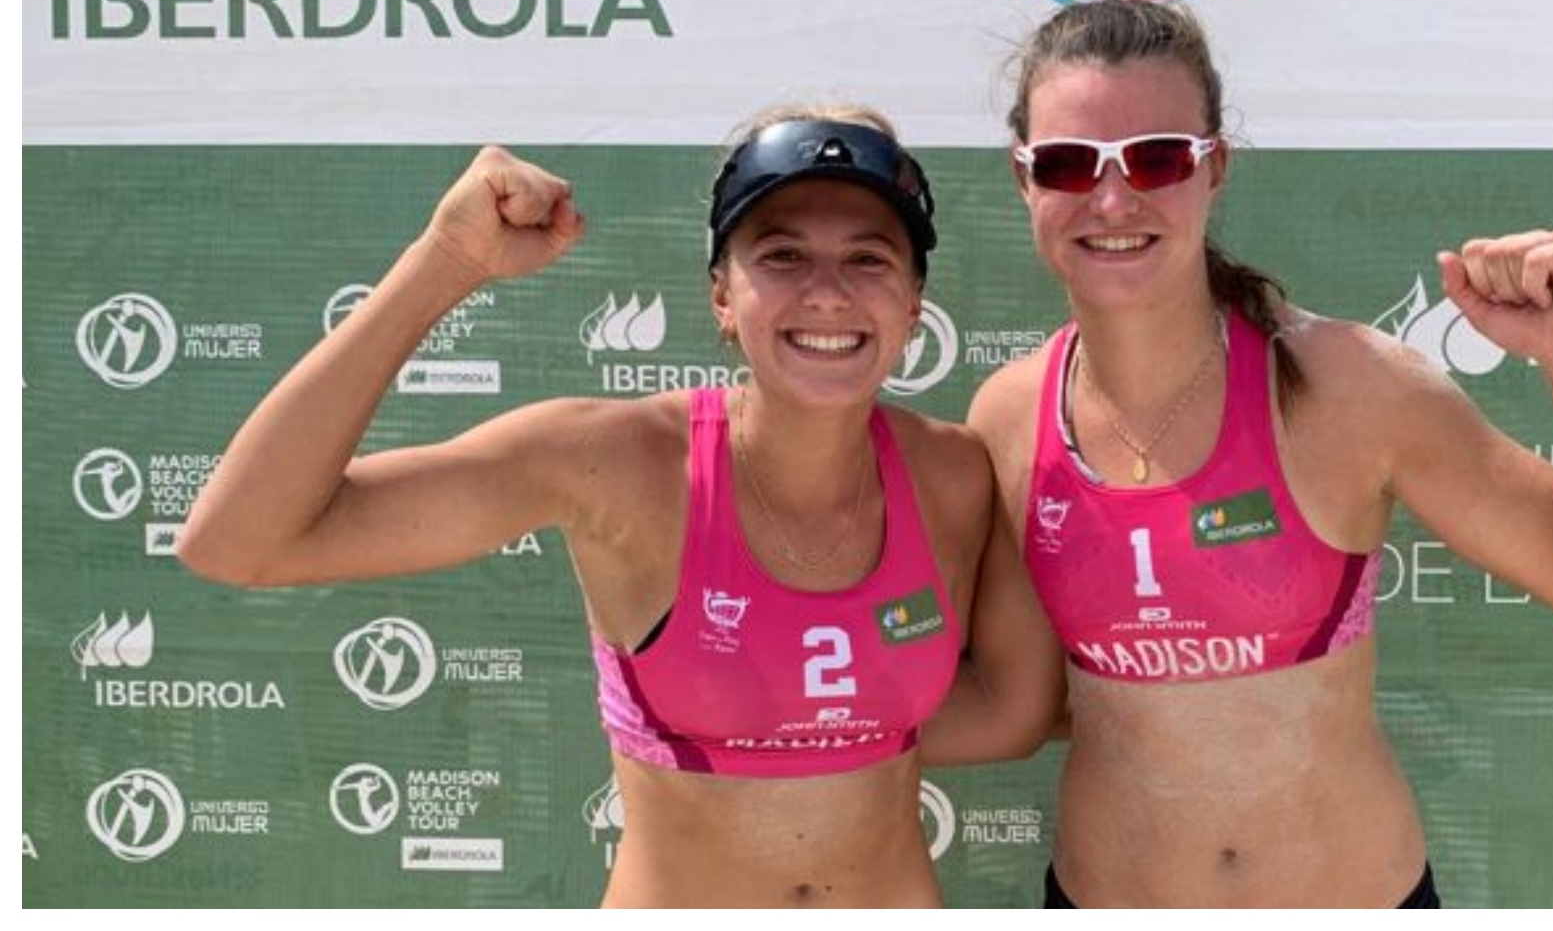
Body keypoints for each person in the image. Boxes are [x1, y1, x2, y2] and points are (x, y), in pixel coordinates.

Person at [951, 0, 1553, 907]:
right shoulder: (1010, 417)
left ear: (1212, 168)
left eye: (1157, 158)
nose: (1112, 198)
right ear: (1025, 180)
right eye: (1067, 164)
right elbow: (1016, 705)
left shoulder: (1349, 387)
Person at [178, 109, 998, 907]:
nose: (827, 293)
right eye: (780, 255)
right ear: (721, 295)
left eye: (869, 259)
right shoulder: (615, 463)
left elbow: (1016, 705)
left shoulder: (952, 474)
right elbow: (239, 542)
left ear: (915, 301)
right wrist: (446, 261)